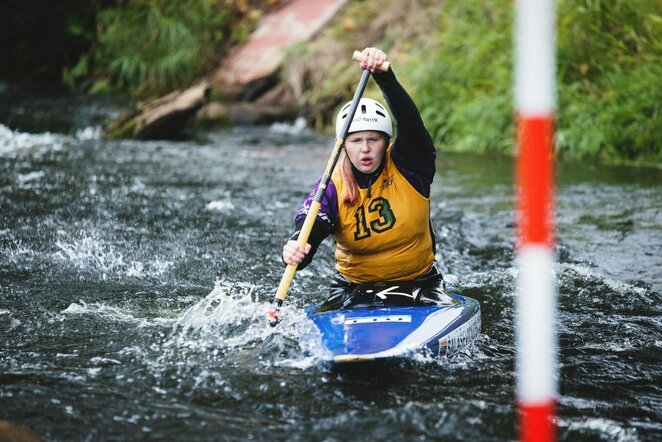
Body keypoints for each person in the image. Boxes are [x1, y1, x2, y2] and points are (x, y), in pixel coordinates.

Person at [282, 47, 449, 311]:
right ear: (343, 145)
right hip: (353, 289)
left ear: (386, 142)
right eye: (356, 140)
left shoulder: (411, 166)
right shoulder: (330, 186)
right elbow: (308, 234)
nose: (365, 149)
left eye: (373, 139)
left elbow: (412, 127)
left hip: (419, 283)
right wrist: (295, 249)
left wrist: (385, 78)